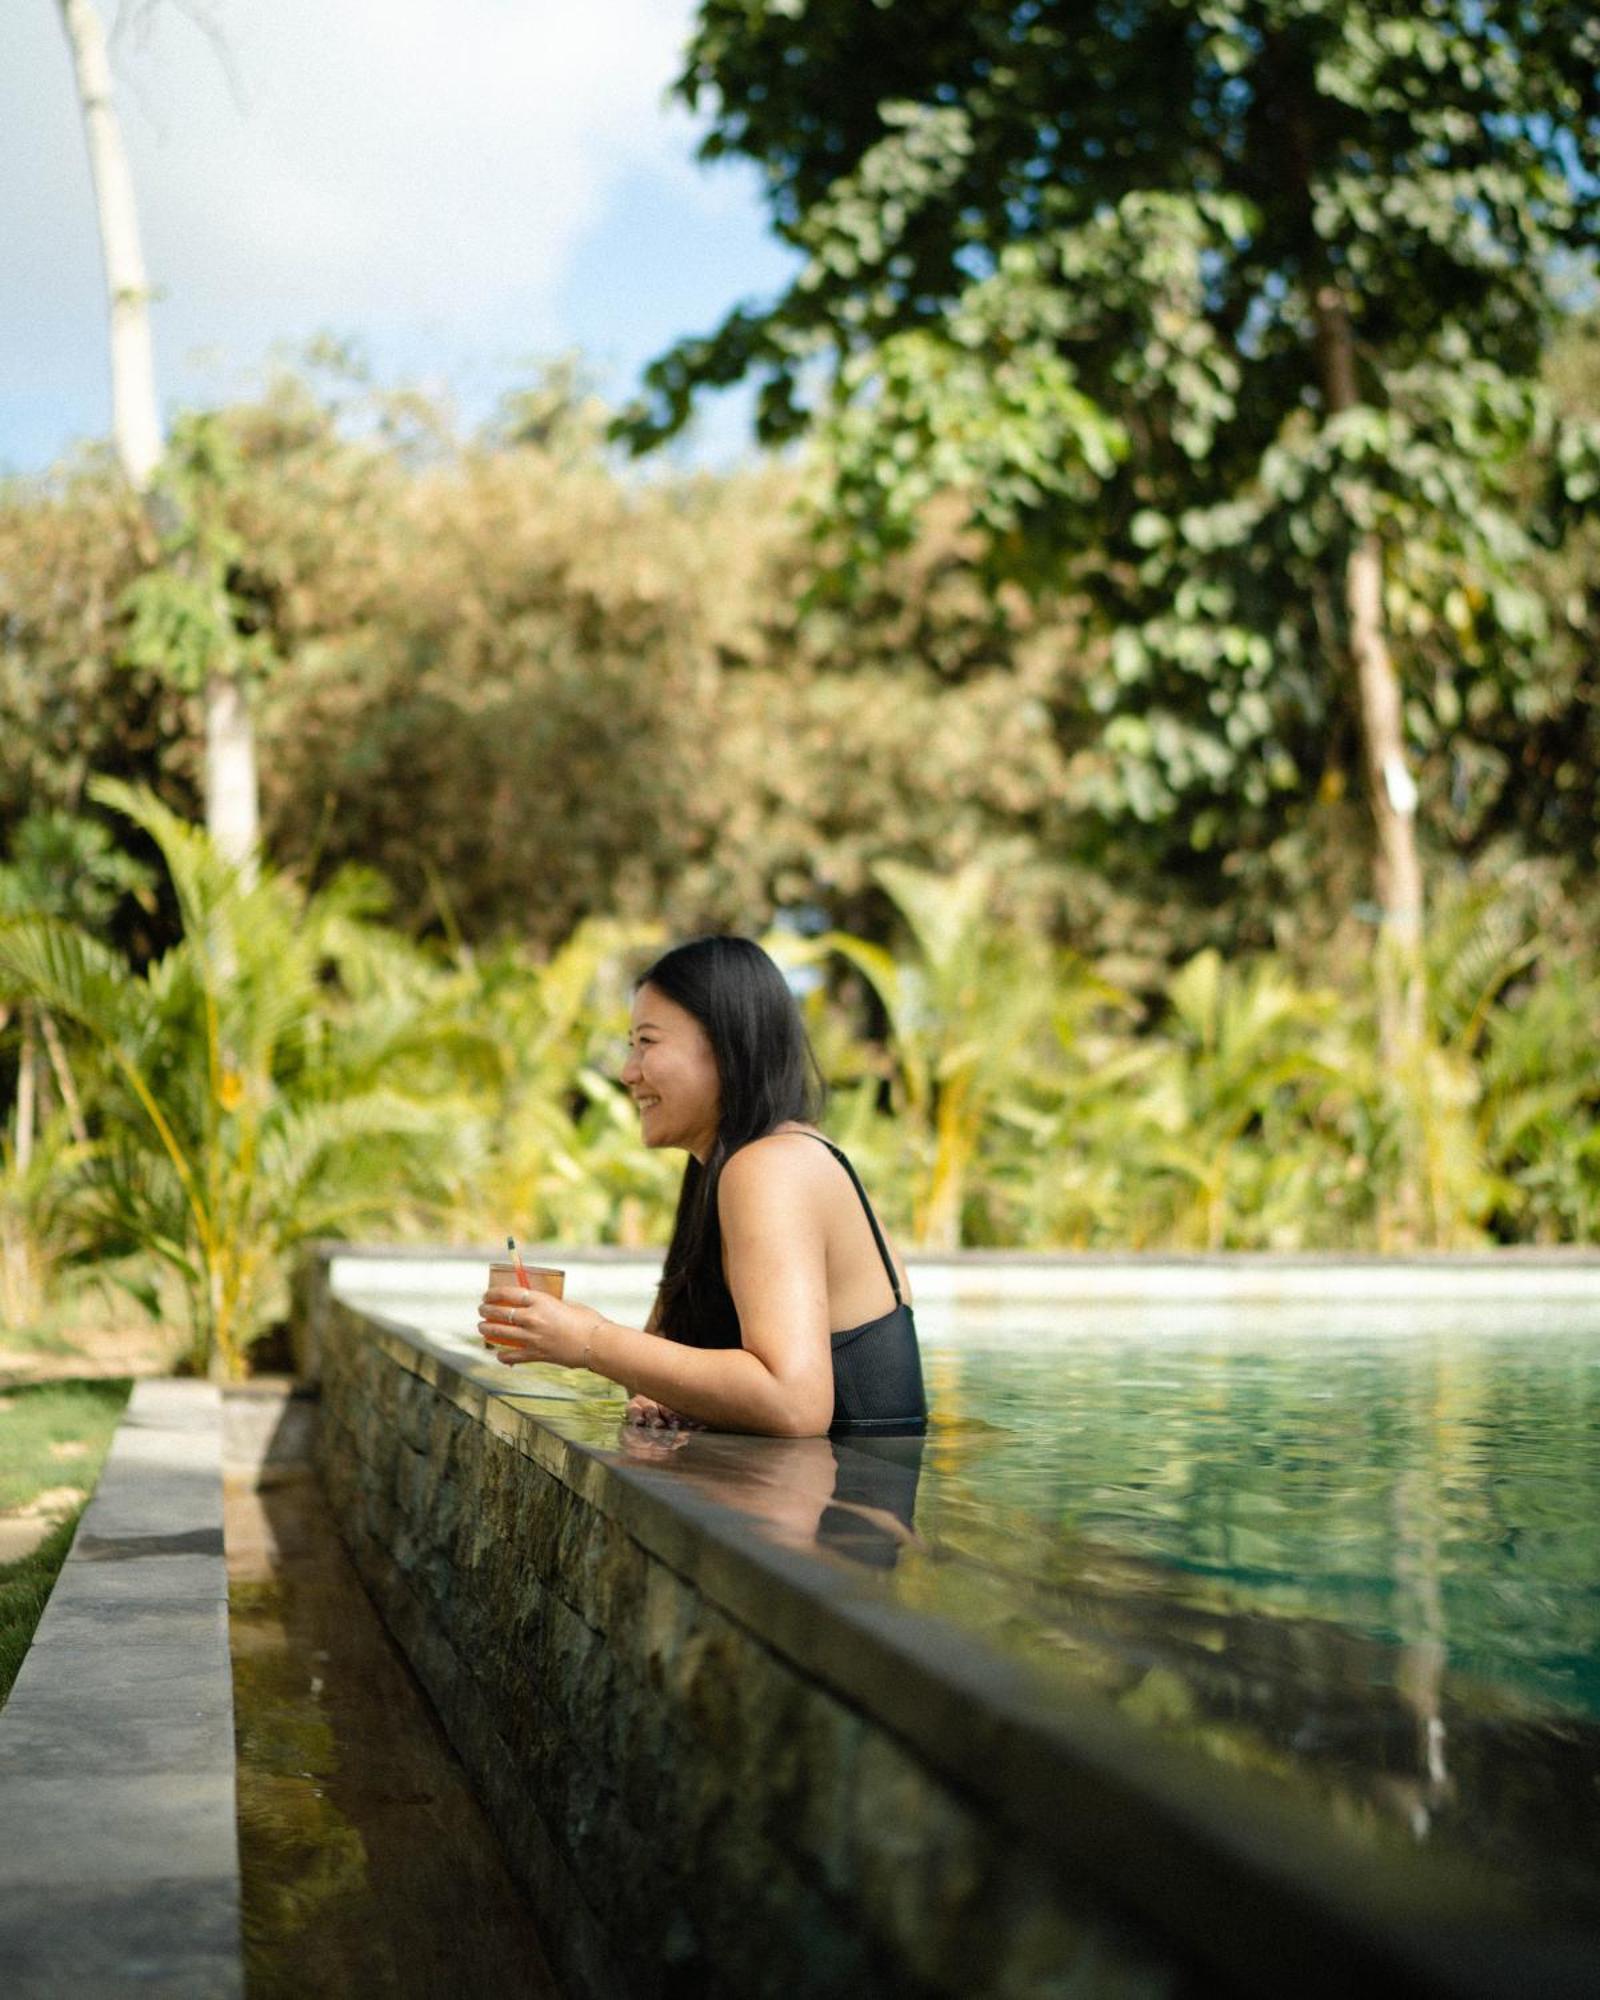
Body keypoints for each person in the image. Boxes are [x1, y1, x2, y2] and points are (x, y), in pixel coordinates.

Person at [477, 935, 928, 1438]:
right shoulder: (718, 1167)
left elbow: (794, 1403)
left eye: (647, 1043)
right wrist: (652, 1387)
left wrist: (588, 1339)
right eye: (630, 1047)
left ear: (725, 1046)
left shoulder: (772, 1167)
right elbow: (667, 1351)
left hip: (841, 1508)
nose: (628, 1073)